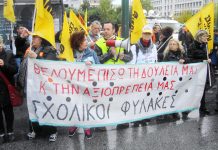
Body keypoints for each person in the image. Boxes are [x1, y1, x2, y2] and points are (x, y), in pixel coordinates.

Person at [25, 33, 58, 142]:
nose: (32, 39)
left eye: (35, 37)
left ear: (41, 39)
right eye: (32, 37)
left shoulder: (50, 50)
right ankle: (34, 129)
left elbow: (50, 65)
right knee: (33, 106)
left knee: (47, 107)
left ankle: (52, 131)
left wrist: (37, 57)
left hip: (45, 86)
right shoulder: (29, 49)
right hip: (32, 85)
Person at [68, 31, 100, 139]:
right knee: (74, 106)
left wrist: (91, 66)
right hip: (73, 87)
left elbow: (99, 68)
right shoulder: (69, 53)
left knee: (86, 106)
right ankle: (75, 124)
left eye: (86, 39)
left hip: (88, 86)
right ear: (77, 43)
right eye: (84, 40)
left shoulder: (92, 53)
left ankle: (87, 127)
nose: (87, 42)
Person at [128, 25, 157, 126]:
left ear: (151, 35)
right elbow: (131, 63)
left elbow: (155, 61)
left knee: (147, 97)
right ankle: (136, 117)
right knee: (137, 97)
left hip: (149, 77)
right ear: (142, 34)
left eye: (149, 34)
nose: (147, 36)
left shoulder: (154, 47)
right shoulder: (134, 47)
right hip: (138, 77)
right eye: (145, 33)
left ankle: (145, 116)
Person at [163, 39, 190, 120]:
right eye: (170, 44)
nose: (172, 45)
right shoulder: (166, 54)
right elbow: (164, 65)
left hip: (181, 78)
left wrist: (184, 60)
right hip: (171, 78)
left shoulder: (182, 53)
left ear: (178, 45)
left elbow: (189, 60)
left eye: (174, 44)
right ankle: (173, 112)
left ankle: (184, 110)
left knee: (182, 94)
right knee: (172, 95)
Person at [187, 30, 211, 116]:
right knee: (194, 89)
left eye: (206, 36)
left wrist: (208, 60)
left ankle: (202, 107)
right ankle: (192, 106)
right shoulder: (192, 46)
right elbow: (189, 60)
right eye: (204, 36)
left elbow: (206, 56)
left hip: (203, 71)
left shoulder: (205, 45)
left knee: (202, 88)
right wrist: (202, 61)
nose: (206, 38)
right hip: (195, 72)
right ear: (199, 37)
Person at [0, 38, 18, 143]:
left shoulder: (9, 54)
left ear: (1, 44)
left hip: (6, 90)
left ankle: (10, 131)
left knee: (8, 112)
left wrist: (4, 65)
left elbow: (15, 70)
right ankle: (1, 133)